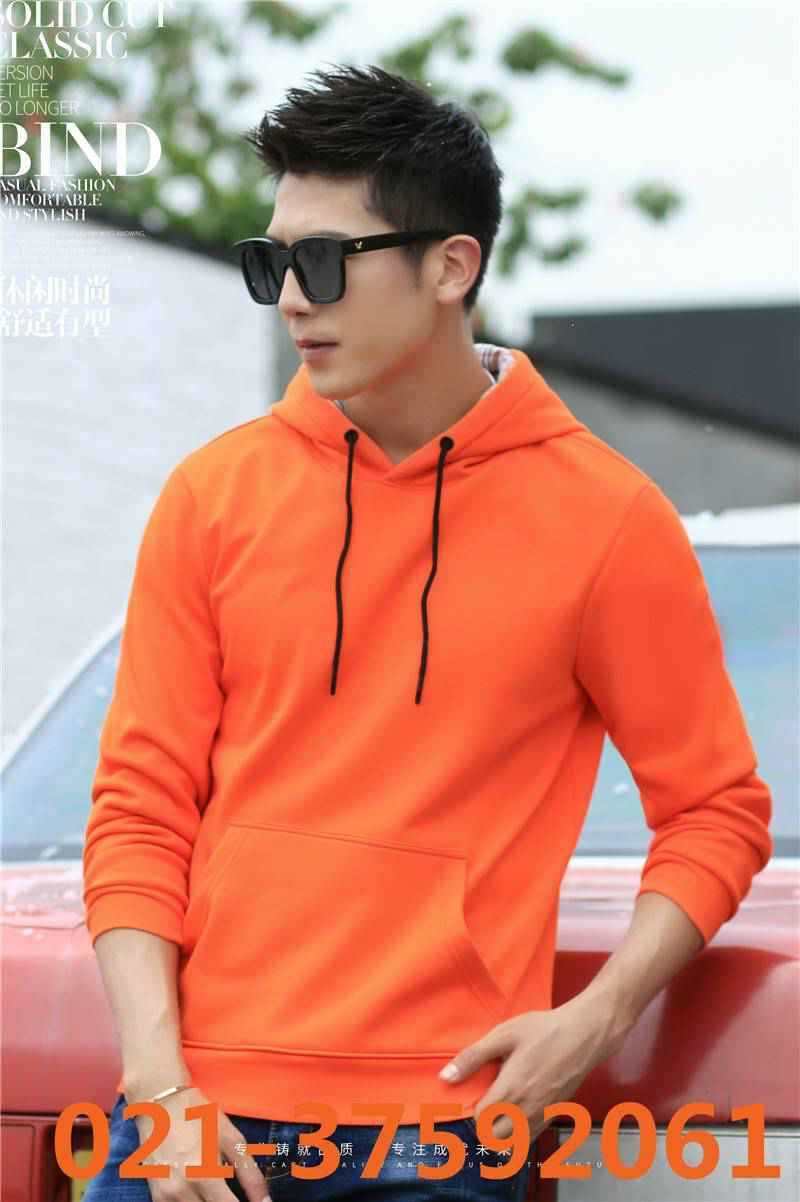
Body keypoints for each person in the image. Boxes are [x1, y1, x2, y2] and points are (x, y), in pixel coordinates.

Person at [81, 62, 773, 1201]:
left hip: (440, 1130)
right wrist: (157, 1085)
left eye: (321, 262)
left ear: (452, 266)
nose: (290, 300)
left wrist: (597, 1016)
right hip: (196, 1120)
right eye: (271, 263)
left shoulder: (605, 521)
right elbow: (140, 809)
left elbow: (714, 810)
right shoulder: (213, 496)